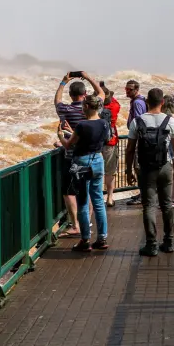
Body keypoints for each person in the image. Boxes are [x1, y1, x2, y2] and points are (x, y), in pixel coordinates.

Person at [126, 88, 174, 257]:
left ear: (147, 102)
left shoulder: (137, 121)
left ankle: (151, 245)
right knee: (166, 204)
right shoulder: (170, 120)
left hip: (145, 169)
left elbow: (130, 149)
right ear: (162, 102)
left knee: (149, 206)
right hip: (165, 167)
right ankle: (169, 242)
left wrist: (129, 170)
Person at [57, 93, 110, 252]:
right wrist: (73, 132)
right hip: (98, 160)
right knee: (98, 200)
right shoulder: (104, 123)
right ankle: (102, 238)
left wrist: (61, 136)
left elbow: (68, 145)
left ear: (86, 106)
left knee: (83, 202)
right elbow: (102, 139)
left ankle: (85, 240)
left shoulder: (82, 125)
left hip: (82, 163)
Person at [54, 71, 104, 238]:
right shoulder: (94, 110)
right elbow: (101, 94)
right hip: (95, 157)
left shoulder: (65, 110)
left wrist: (63, 81)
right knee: (90, 193)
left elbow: (57, 101)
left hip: (73, 157)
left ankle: (76, 225)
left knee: (69, 192)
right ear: (85, 94)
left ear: (71, 95)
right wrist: (88, 76)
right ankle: (87, 222)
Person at [99, 82, 120, 208]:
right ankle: (110, 198)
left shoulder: (94, 107)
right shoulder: (114, 106)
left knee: (95, 171)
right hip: (110, 142)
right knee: (110, 172)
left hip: (96, 142)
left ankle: (96, 197)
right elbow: (114, 100)